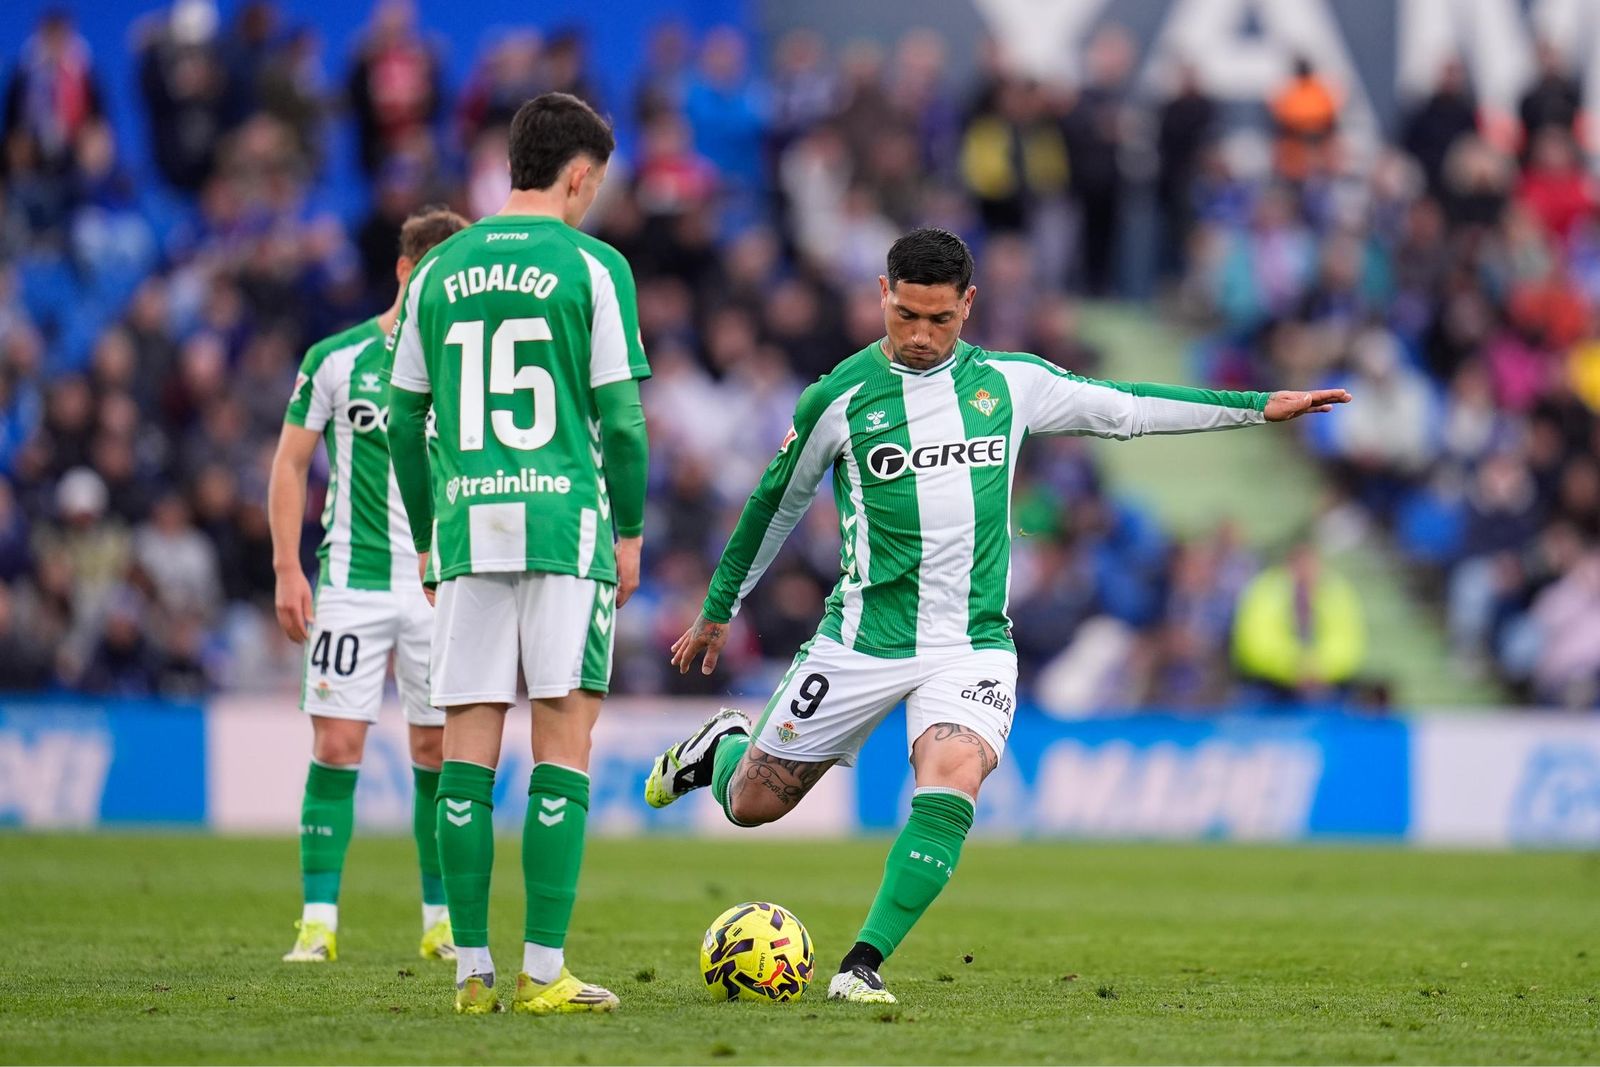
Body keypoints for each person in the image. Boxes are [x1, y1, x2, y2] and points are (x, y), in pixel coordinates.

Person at [645, 227, 1350, 1003]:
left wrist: (1255, 406)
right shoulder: (837, 398)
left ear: (968, 305)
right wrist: (719, 607)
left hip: (971, 641)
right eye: (905, 314)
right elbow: (773, 503)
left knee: (952, 779)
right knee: (753, 804)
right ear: (882, 294)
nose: (918, 335)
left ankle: (862, 964)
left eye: (938, 319)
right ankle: (721, 749)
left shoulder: (1010, 384)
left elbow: (1127, 409)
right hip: (863, 637)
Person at [384, 92, 650, 1015]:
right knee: (562, 748)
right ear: (578, 174)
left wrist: (427, 531)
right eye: (596, 186)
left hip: (465, 527)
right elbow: (620, 415)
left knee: (466, 753)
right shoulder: (595, 265)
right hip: (565, 530)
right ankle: (543, 971)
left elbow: (404, 417)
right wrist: (631, 531)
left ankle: (469, 974)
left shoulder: (439, 268)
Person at [268, 203, 468, 965]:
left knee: (437, 750)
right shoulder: (336, 358)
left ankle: (441, 918)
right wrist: (288, 565)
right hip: (351, 580)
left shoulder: (466, 366)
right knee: (339, 742)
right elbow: (290, 463)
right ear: (404, 270)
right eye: (432, 276)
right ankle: (318, 920)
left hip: (436, 586)